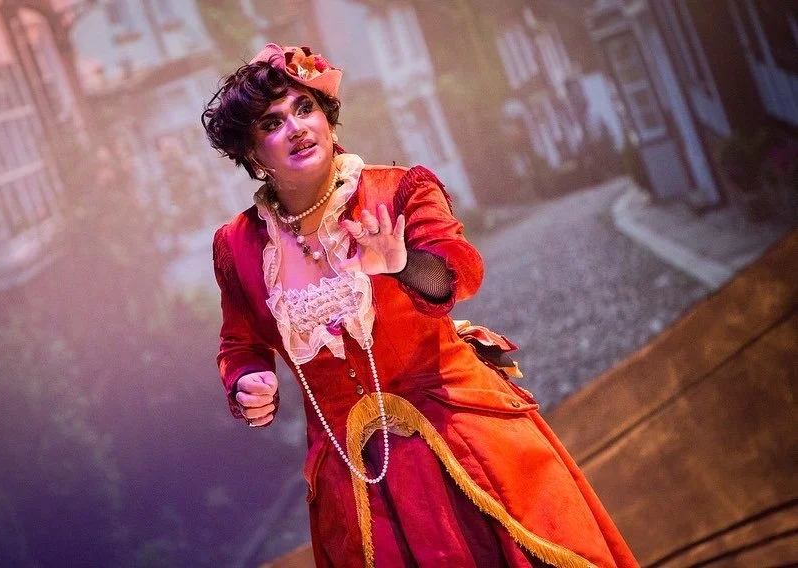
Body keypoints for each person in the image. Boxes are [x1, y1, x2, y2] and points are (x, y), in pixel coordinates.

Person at [202, 43, 638, 568]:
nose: (296, 128)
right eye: (272, 124)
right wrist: (246, 381)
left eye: (304, 108)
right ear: (253, 155)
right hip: (357, 482)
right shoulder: (238, 246)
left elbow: (460, 274)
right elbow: (240, 342)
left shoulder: (398, 190)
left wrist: (401, 263)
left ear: (328, 119)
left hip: (462, 441)